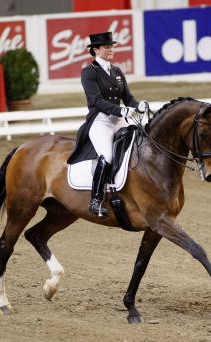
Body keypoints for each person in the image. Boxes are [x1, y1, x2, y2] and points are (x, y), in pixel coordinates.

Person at [67, 32, 148, 218]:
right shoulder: (89, 72)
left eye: (112, 46)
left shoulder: (117, 71)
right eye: (107, 47)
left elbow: (128, 98)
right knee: (107, 156)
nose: (111, 49)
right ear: (96, 50)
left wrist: (138, 106)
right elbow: (96, 101)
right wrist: (121, 111)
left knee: (137, 145)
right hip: (100, 121)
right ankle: (96, 199)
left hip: (118, 120)